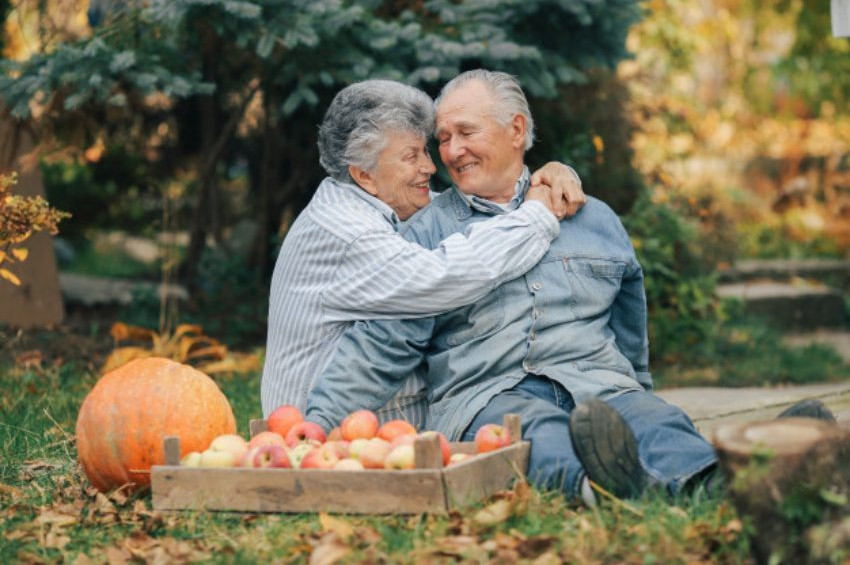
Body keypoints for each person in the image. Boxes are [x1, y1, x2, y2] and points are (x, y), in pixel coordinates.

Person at [304, 69, 719, 504]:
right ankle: (603, 489)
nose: (451, 151)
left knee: (657, 423)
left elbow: (629, 326)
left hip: (597, 384)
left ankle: (712, 484)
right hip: (490, 396)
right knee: (532, 435)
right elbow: (384, 340)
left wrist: (635, 391)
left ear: (516, 129)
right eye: (443, 138)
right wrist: (318, 421)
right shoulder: (425, 232)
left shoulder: (593, 217)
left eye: (466, 132)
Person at [260, 78, 586, 425]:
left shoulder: (380, 199)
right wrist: (537, 216)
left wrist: (550, 176)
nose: (430, 168)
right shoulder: (348, 231)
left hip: (380, 423)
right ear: (364, 175)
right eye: (410, 156)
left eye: (426, 151)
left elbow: (482, 207)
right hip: (324, 430)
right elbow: (446, 276)